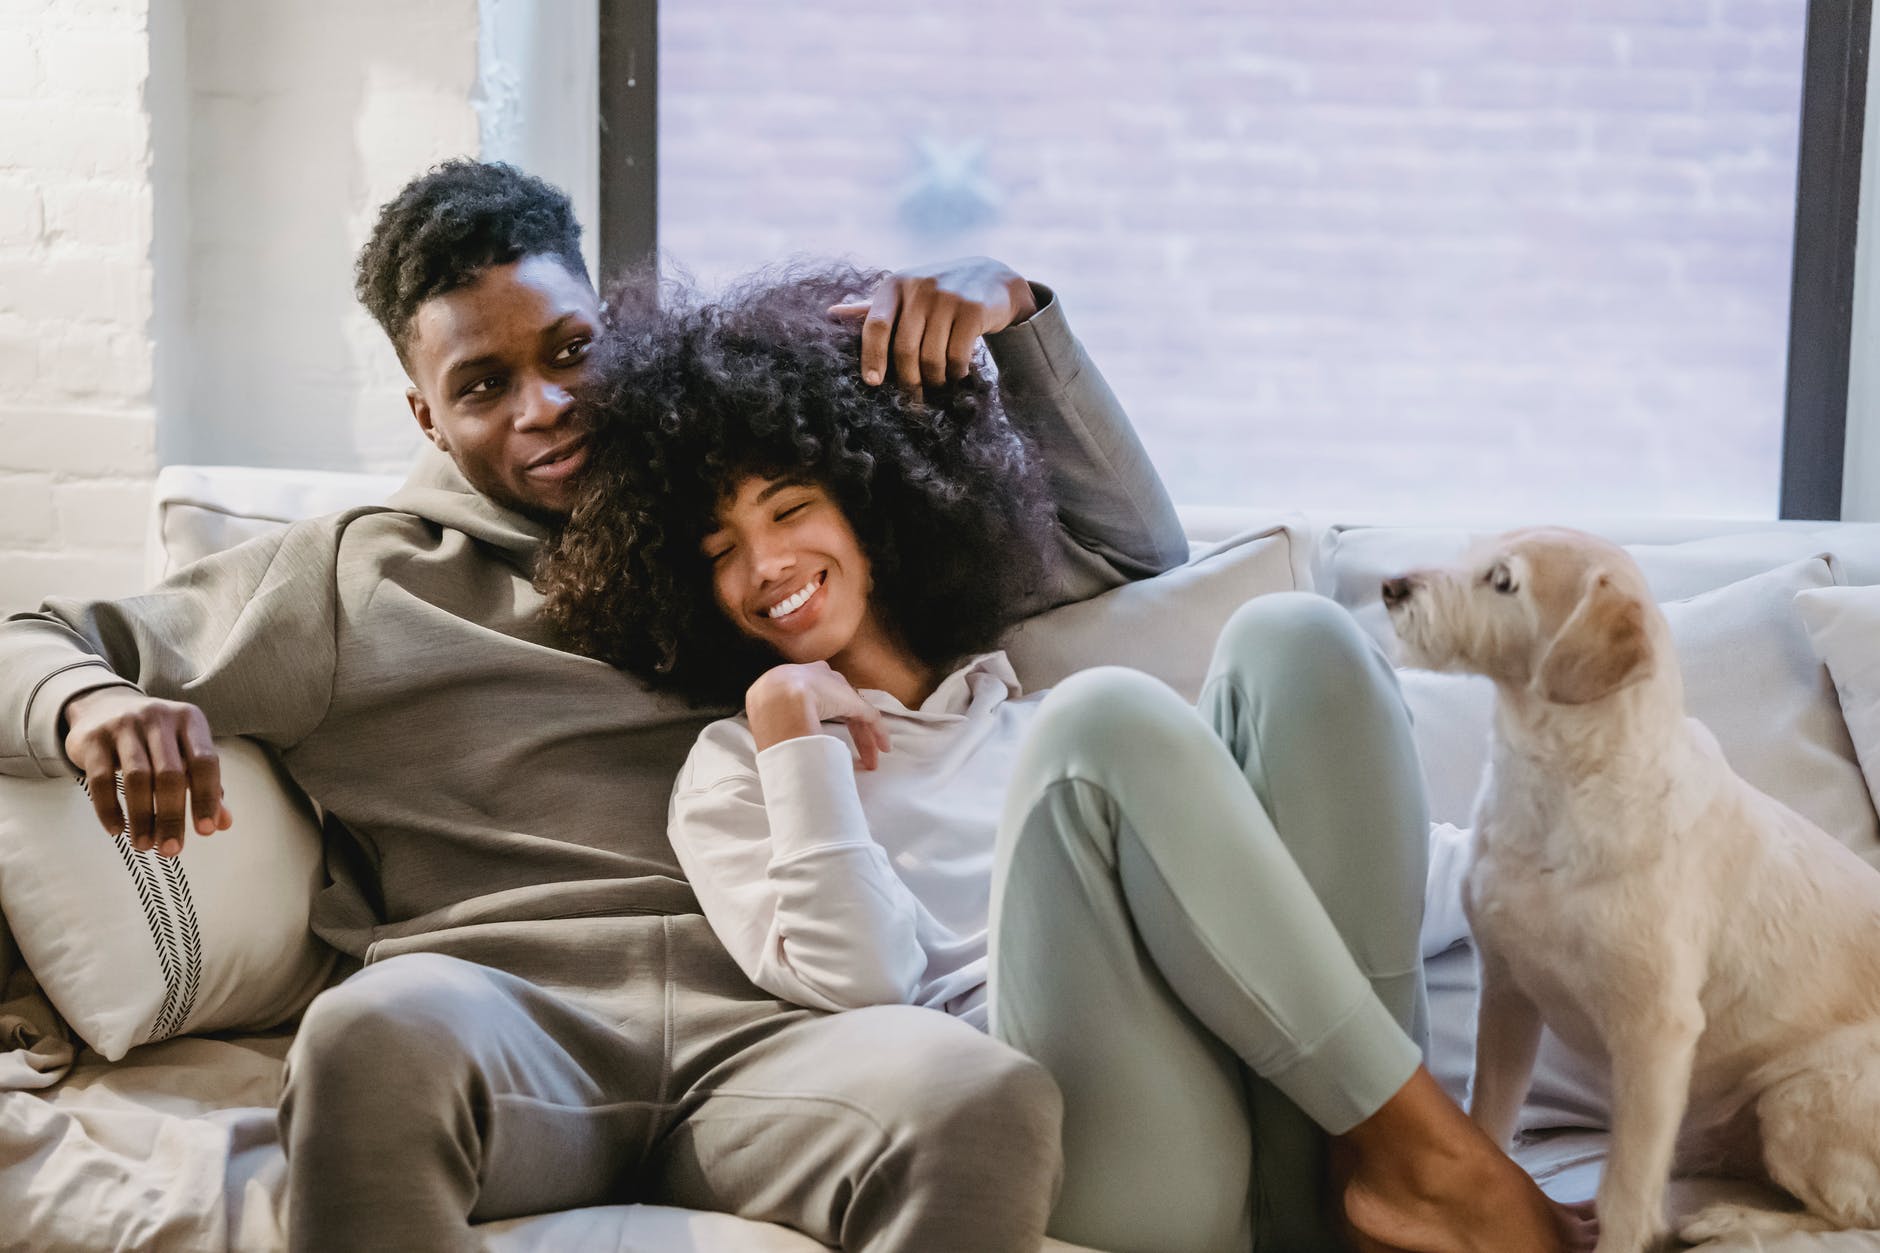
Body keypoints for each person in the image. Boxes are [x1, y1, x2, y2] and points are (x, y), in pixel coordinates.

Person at [0, 160, 1192, 1252]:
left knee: (976, 1092)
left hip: (775, 1031)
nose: (544, 406)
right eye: (482, 385)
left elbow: (1129, 551)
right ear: (425, 413)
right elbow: (28, 638)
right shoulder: (347, 578)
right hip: (506, 1022)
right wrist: (84, 701)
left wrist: (1018, 316)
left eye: (569, 351)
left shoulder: (749, 536)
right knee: (369, 1034)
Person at [538, 266, 1601, 1253]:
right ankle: (1429, 1156)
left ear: (867, 497)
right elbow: (861, 982)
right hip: (1101, 1138)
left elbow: (1333, 883)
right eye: (719, 552)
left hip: (1274, 1107)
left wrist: (1581, 875)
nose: (766, 564)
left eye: (787, 506)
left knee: (1297, 640)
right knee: (1103, 728)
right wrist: (792, 736)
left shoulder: (1019, 709)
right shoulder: (740, 766)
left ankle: (1368, 1174)